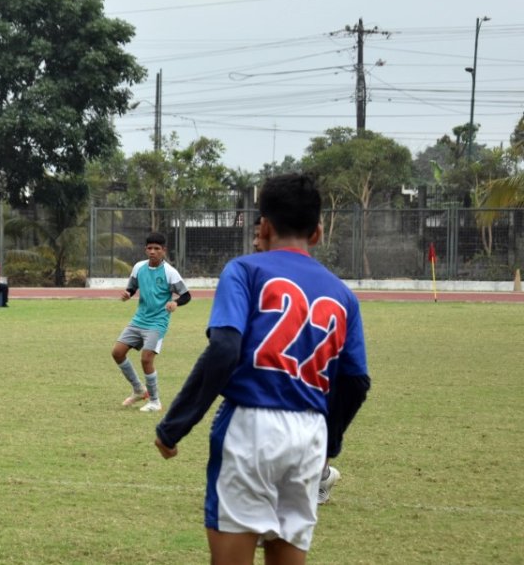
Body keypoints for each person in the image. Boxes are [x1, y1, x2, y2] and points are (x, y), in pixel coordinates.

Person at [153, 173, 370, 564]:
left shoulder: (245, 271)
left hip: (250, 428)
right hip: (310, 434)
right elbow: (355, 381)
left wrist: (174, 426)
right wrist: (329, 445)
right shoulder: (343, 295)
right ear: (318, 233)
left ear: (264, 225)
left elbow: (224, 349)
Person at [113, 232, 191, 413]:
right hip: (139, 319)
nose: (153, 252)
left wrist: (175, 302)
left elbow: (186, 295)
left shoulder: (170, 272)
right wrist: (127, 294)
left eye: (157, 249)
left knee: (146, 359)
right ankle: (139, 390)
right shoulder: (139, 267)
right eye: (150, 248)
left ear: (164, 251)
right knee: (117, 352)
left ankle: (155, 401)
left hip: (157, 322)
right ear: (145, 250)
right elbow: (132, 288)